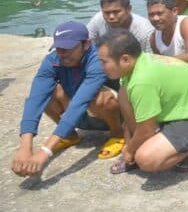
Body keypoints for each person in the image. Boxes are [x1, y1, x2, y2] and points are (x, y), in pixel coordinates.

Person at [97, 30, 188, 174]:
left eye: (104, 62)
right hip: (182, 110)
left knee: (146, 160)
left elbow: (147, 129)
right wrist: (130, 144)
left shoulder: (142, 80)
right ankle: (148, 147)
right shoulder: (139, 62)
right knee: (123, 94)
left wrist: (130, 150)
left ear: (125, 59)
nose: (101, 67)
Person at [12, 21, 124, 178]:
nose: (62, 53)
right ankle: (70, 135)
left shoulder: (99, 60)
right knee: (47, 93)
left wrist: (45, 151)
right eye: (59, 48)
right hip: (81, 113)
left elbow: (80, 103)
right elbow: (35, 99)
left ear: (86, 44)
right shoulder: (52, 61)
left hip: (108, 113)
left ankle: (118, 134)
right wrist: (25, 146)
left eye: (68, 49)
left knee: (101, 98)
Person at [87, 0, 153, 52]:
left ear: (129, 9)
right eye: (107, 12)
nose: (111, 17)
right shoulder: (98, 19)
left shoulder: (145, 31)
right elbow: (86, 44)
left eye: (116, 12)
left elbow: (152, 60)